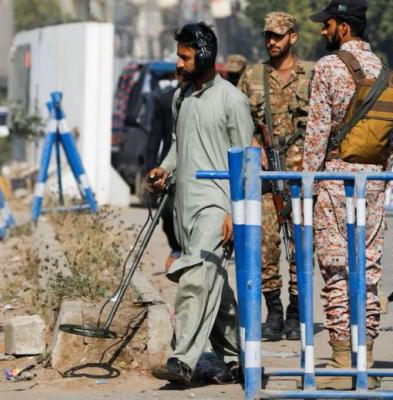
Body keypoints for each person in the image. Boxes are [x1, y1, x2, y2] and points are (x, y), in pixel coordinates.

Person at [147, 22, 253, 385]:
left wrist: (232, 212)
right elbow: (179, 145)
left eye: (184, 56)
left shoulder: (232, 101)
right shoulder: (182, 98)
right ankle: (241, 357)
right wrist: (164, 169)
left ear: (205, 54)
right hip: (185, 209)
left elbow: (246, 163)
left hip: (216, 206)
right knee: (213, 284)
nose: (179, 63)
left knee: (194, 277)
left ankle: (181, 359)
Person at [304, 0, 393, 389]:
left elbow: (316, 135)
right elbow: (388, 142)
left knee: (337, 270)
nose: (323, 30)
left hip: (334, 182)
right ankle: (367, 361)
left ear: (344, 27)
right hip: (373, 183)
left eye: (328, 23)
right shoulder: (387, 73)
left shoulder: (327, 68)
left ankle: (342, 362)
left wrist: (305, 187)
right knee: (369, 270)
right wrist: (381, 178)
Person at [237, 12, 313, 342]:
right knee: (266, 246)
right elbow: (238, 119)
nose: (272, 42)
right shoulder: (252, 75)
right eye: (268, 35)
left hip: (300, 176)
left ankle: (296, 311)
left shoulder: (311, 74)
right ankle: (274, 311)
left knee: (300, 246)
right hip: (265, 177)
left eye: (278, 36)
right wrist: (253, 143)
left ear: (292, 37)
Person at [145, 73, 182, 272]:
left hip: (196, 168)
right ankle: (176, 248)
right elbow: (155, 136)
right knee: (167, 213)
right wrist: (151, 168)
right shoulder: (166, 100)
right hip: (169, 165)